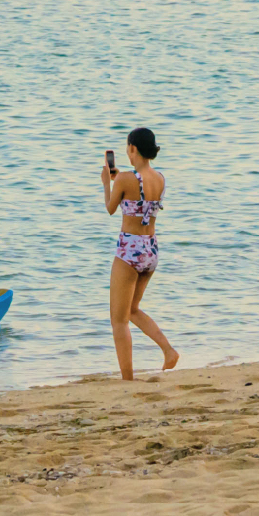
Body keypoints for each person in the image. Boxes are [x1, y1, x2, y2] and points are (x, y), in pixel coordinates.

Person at [100, 127, 178, 379]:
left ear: (133, 148)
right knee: (132, 310)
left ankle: (127, 379)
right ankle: (168, 350)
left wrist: (106, 183)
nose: (126, 152)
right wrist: (118, 180)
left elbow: (111, 208)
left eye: (127, 147)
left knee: (119, 319)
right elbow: (141, 201)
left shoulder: (123, 178)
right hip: (151, 250)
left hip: (129, 249)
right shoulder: (160, 178)